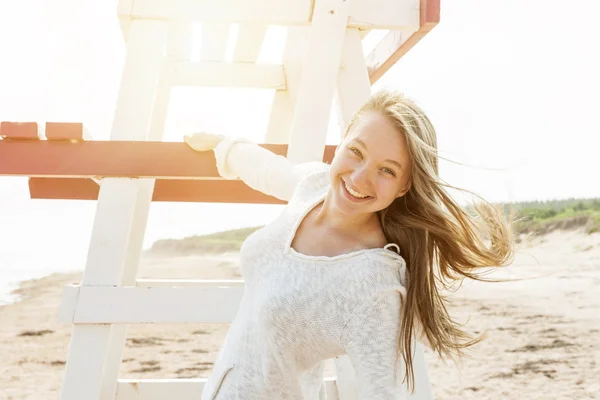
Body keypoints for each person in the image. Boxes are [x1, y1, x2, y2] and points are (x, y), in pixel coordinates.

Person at [184, 89, 515, 400]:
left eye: (386, 170)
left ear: (403, 187)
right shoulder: (313, 186)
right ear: (341, 143)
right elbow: (270, 171)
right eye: (356, 151)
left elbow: (384, 392)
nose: (358, 178)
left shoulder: (373, 285)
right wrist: (224, 145)